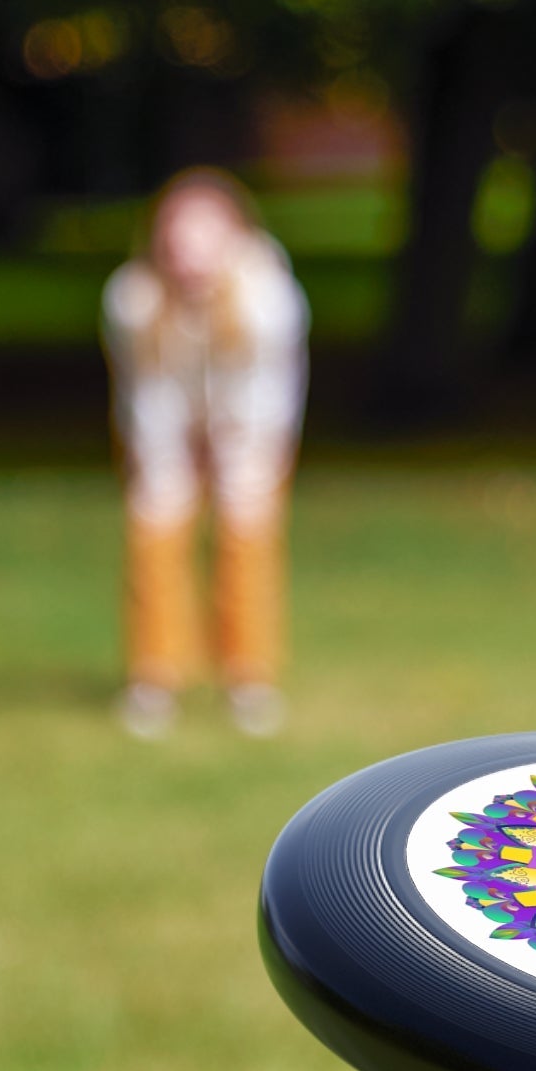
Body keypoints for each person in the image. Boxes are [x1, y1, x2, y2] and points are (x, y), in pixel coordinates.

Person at [102, 168, 309, 739]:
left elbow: (267, 393)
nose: (189, 252)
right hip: (164, 427)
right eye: (178, 235)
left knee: (247, 536)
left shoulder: (268, 297)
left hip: (250, 429)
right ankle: (155, 677)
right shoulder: (133, 299)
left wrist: (235, 454)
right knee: (155, 529)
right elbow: (146, 393)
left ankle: (249, 678)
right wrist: (167, 461)